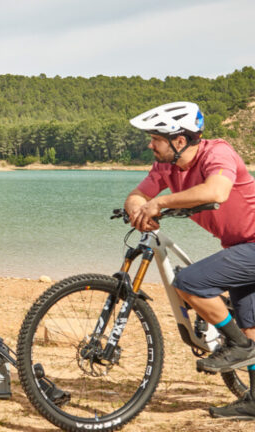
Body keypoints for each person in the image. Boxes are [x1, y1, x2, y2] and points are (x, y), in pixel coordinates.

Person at [125, 101, 255, 419]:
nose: (150, 143)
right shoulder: (166, 167)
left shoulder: (217, 153)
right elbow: (138, 194)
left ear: (179, 141)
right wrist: (136, 208)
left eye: (155, 138)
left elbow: (217, 191)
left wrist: (161, 202)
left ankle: (237, 344)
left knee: (189, 282)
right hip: (240, 245)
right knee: (250, 322)